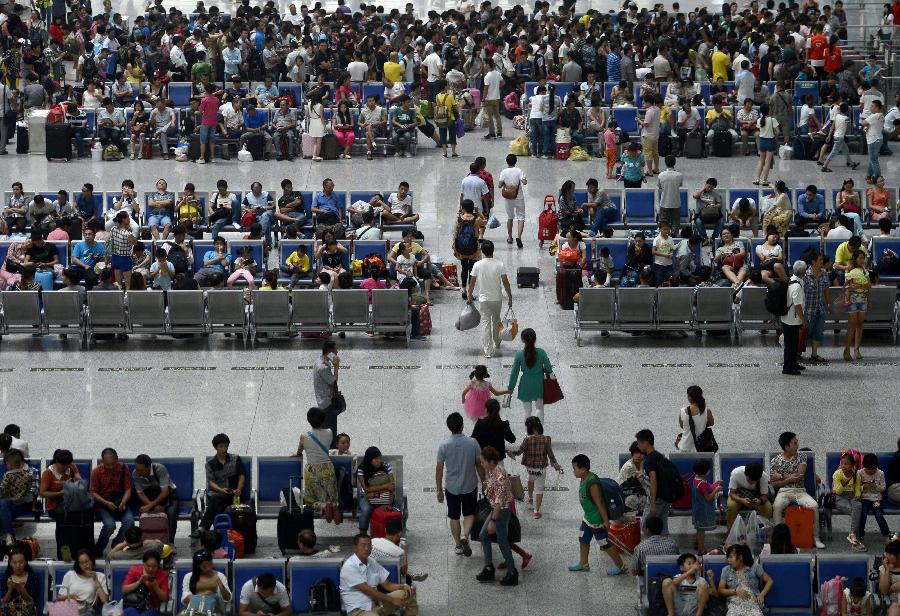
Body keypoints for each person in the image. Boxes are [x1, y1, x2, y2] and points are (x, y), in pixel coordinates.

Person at [568, 454, 626, 575]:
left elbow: (599, 503)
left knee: (604, 543)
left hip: (596, 520)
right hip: (588, 518)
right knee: (583, 539)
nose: (573, 471)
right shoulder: (583, 478)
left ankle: (620, 565)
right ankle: (583, 563)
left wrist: (605, 521)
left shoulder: (592, 483)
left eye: (575, 469)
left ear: (583, 469)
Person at [339, 533, 417, 615]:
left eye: (369, 545)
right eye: (363, 545)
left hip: (378, 605)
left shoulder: (372, 562)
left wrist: (403, 586)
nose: (366, 548)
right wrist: (392, 600)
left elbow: (388, 585)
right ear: (355, 548)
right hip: (359, 611)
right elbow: (368, 591)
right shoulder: (349, 566)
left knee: (407, 593)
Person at [771, 431, 825, 548]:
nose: (797, 445)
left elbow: (799, 475)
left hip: (800, 491)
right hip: (783, 492)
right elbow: (774, 484)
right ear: (786, 446)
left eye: (797, 442)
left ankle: (815, 538)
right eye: (795, 443)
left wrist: (780, 476)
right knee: (776, 507)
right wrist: (787, 479)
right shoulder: (775, 460)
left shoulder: (802, 456)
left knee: (814, 506)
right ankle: (779, 540)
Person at [475, 446, 518, 586]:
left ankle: (512, 572)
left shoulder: (499, 475)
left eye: (483, 462)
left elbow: (499, 503)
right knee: (483, 535)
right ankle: (489, 567)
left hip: (501, 512)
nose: (481, 464)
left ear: (491, 461)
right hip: (496, 509)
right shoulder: (493, 471)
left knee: (502, 541)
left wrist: (493, 521)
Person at [466, 240, 512, 359]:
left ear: (482, 251)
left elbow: (472, 282)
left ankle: (487, 350)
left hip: (483, 299)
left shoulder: (478, 265)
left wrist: (469, 295)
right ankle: (497, 342)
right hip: (496, 298)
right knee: (497, 321)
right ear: (493, 250)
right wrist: (510, 296)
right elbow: (506, 282)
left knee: (485, 323)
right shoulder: (500, 264)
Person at [507, 416, 561, 519]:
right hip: (541, 469)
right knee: (540, 489)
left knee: (531, 479)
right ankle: (536, 512)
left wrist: (511, 452)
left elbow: (519, 452)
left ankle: (531, 498)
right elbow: (550, 454)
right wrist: (555, 464)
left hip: (530, 468)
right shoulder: (546, 439)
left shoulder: (527, 439)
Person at [295, 407, 340, 523]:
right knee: (331, 496)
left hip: (312, 470)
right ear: (323, 420)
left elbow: (299, 451)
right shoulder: (329, 432)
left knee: (309, 499)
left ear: (309, 420)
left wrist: (297, 453)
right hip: (328, 468)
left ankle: (324, 507)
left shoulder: (304, 436)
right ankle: (333, 506)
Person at [198, 433, 246, 533]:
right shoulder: (210, 463)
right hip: (219, 493)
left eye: (226, 446)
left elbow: (242, 476)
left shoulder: (235, 459)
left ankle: (203, 528)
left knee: (215, 502)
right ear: (215, 447)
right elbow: (211, 483)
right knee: (216, 499)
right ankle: (219, 533)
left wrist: (239, 489)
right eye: (221, 446)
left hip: (233, 495)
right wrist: (221, 490)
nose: (224, 449)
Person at [91, 447, 134, 555]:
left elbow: (128, 488)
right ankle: (98, 548)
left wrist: (123, 502)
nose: (110, 467)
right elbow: (93, 493)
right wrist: (106, 503)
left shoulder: (123, 468)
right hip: (102, 504)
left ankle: (116, 544)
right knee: (110, 525)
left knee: (129, 522)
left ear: (117, 459)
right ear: (102, 461)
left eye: (113, 464)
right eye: (107, 465)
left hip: (120, 502)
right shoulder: (96, 472)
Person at [503, 328, 554, 421]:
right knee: (539, 408)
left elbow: (514, 373)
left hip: (525, 384)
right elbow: (549, 368)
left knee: (527, 411)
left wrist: (510, 387)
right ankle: (539, 431)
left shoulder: (519, 354)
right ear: (535, 339)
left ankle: (528, 432)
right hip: (539, 384)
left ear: (523, 340)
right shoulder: (541, 352)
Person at [132, 454, 178, 544]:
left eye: (141, 470)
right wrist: (152, 506)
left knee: (172, 513)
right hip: (149, 496)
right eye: (137, 469)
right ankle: (146, 542)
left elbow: (165, 492)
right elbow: (140, 493)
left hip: (168, 495)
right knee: (143, 512)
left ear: (148, 467)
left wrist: (150, 506)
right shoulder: (135, 473)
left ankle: (170, 542)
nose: (138, 472)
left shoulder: (160, 469)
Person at [717, 544, 774, 614]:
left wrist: (762, 595)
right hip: (734, 604)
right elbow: (720, 590)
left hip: (753, 603)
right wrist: (735, 591)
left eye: (731, 557)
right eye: (728, 557)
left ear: (740, 557)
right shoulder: (726, 570)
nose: (728, 560)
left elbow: (769, 581)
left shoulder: (754, 567)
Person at [0, 449, 37, 539]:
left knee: (3, 505)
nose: (7, 467)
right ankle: (9, 540)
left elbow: (34, 491)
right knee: (4, 506)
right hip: (10, 504)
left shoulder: (31, 472)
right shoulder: (12, 473)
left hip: (23, 505)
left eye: (7, 464)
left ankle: (9, 537)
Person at [180, 550, 231, 614]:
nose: (209, 568)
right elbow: (184, 599)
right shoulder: (188, 577)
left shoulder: (220, 576)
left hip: (214, 611)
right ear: (197, 566)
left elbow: (227, 598)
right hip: (193, 611)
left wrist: (221, 586)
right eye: (204, 567)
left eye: (210, 564)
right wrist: (203, 597)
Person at [313, 341, 343, 447]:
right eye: (335, 350)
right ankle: (331, 453)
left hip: (322, 401)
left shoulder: (319, 360)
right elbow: (333, 383)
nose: (337, 352)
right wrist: (336, 367)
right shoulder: (324, 368)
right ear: (330, 351)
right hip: (327, 404)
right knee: (331, 432)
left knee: (327, 430)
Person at [832, 451, 864, 550]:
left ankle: (852, 535)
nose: (843, 466)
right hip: (839, 497)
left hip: (852, 496)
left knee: (858, 506)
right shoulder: (837, 474)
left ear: (852, 465)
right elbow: (837, 491)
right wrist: (844, 484)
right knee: (856, 512)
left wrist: (857, 496)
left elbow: (857, 488)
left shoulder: (856, 474)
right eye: (842, 463)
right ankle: (855, 538)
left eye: (846, 464)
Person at [121, 551, 169, 616]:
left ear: (158, 565)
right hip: (134, 605)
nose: (151, 569)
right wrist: (139, 582)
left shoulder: (163, 575)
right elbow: (124, 590)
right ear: (143, 563)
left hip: (151, 608)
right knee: (130, 612)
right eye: (148, 565)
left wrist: (155, 586)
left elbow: (165, 598)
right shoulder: (135, 570)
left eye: (154, 566)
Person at [39, 448, 82, 522]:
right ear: (56, 462)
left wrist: (74, 482)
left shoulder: (71, 467)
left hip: (71, 502)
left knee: (84, 513)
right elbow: (42, 493)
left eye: (67, 465)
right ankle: (63, 533)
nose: (65, 468)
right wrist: (60, 493)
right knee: (66, 516)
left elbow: (80, 481)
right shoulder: (48, 473)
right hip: (54, 505)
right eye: (62, 465)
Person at [804, 252, 832, 364]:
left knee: (818, 332)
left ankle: (814, 354)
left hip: (820, 308)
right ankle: (797, 353)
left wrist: (828, 303)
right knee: (805, 332)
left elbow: (826, 288)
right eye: (820, 260)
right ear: (813, 262)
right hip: (808, 309)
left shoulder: (824, 273)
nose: (822, 262)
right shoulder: (805, 275)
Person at [858, 453, 892, 545]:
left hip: (876, 499)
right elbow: (856, 488)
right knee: (862, 515)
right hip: (864, 498)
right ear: (864, 467)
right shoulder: (860, 473)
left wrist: (876, 486)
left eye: (872, 469)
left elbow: (883, 488)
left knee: (879, 516)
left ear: (876, 467)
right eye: (867, 469)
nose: (870, 472)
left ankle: (886, 535)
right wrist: (863, 487)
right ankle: (860, 535)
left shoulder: (880, 473)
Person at [781, 261, 807, 376]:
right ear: (804, 272)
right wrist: (803, 319)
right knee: (790, 344)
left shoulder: (792, 279)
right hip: (791, 319)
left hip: (789, 318)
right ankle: (787, 367)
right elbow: (797, 305)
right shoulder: (797, 285)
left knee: (794, 342)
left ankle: (793, 363)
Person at [844, 250, 870, 361]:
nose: (861, 260)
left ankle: (857, 349)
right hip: (853, 300)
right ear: (855, 259)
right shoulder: (849, 270)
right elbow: (846, 286)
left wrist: (857, 285)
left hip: (863, 299)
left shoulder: (865, 270)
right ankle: (847, 350)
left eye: (862, 258)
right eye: (859, 258)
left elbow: (869, 286)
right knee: (852, 326)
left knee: (860, 325)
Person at [691, 459, 722, 554]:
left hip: (697, 508)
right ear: (706, 472)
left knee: (698, 528)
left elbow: (708, 487)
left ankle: (696, 544)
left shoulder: (696, 479)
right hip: (703, 510)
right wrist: (717, 489)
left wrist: (715, 484)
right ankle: (701, 550)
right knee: (701, 531)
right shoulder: (702, 484)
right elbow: (708, 498)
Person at [675, 386, 715, 453]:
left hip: (685, 447)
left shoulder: (682, 411)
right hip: (701, 448)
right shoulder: (707, 411)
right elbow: (711, 423)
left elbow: (682, 426)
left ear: (690, 397)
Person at [1, 549, 40, 616]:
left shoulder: (32, 577)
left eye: (21, 562)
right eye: (14, 562)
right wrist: (10, 590)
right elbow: (3, 603)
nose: (18, 565)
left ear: (25, 562)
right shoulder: (6, 577)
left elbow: (32, 602)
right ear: (10, 563)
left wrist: (22, 589)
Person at [498, 154, 527, 248]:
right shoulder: (519, 170)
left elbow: (499, 185)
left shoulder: (504, 171)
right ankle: (519, 237)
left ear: (507, 161)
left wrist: (506, 184)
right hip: (519, 197)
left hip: (508, 197)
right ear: (515, 161)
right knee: (521, 217)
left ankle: (510, 237)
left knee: (510, 217)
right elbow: (524, 182)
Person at [753, 103, 779, 185]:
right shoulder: (772, 120)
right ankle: (765, 180)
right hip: (770, 141)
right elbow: (777, 131)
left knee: (761, 161)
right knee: (767, 162)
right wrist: (775, 135)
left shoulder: (759, 120)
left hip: (762, 141)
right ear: (769, 110)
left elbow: (759, 129)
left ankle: (757, 179)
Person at [862, 99, 885, 184]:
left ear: (877, 107)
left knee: (874, 160)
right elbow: (871, 126)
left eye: (872, 106)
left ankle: (878, 178)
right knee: (873, 159)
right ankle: (868, 175)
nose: (870, 107)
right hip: (879, 139)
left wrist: (865, 121)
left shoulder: (873, 116)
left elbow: (863, 123)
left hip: (873, 140)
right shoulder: (882, 116)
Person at [876, 541, 900, 616]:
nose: (887, 556)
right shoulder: (884, 568)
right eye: (887, 553)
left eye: (890, 554)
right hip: (895, 602)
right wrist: (887, 570)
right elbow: (883, 591)